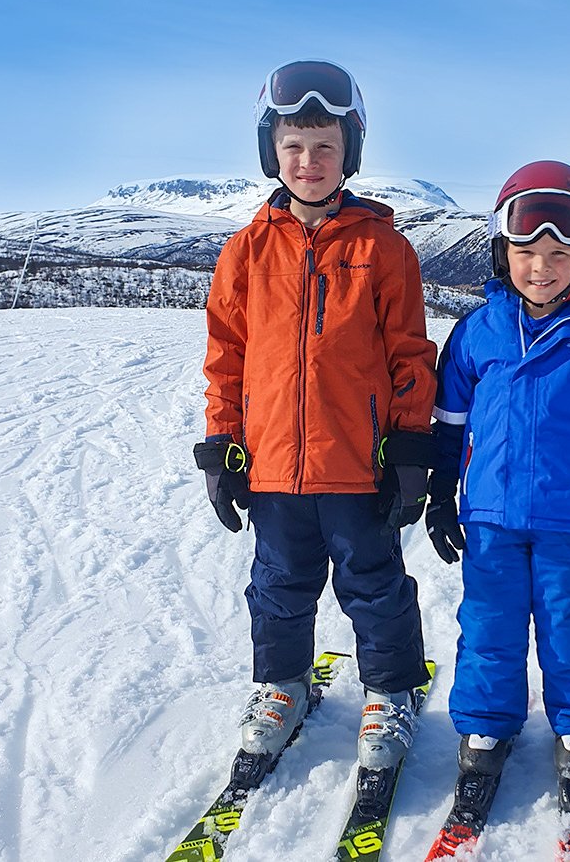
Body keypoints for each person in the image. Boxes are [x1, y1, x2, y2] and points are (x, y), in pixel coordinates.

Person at [193, 59, 437, 780]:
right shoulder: (244, 250)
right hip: (272, 466)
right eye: (294, 146)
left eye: (324, 146)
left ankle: (391, 690)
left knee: (375, 584)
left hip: (357, 464)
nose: (308, 161)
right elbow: (226, 358)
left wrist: (411, 452)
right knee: (278, 583)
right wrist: (222, 446)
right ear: (272, 150)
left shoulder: (384, 249)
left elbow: (409, 358)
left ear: (348, 152)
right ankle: (282, 684)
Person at [424, 160, 570, 822]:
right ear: (503, 253)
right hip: (492, 518)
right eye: (527, 251)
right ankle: (485, 729)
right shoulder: (478, 332)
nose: (541, 267)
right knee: (489, 626)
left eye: (558, 254)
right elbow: (449, 426)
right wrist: (441, 496)